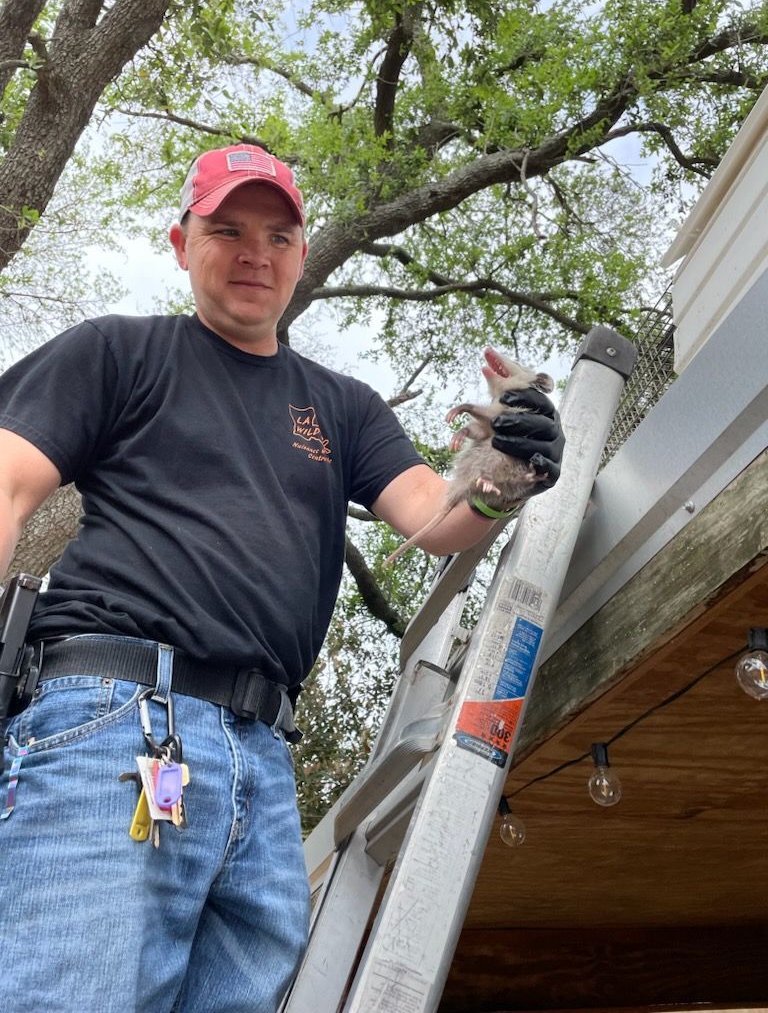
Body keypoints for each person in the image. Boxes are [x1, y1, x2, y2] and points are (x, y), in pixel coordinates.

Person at [0, 143, 564, 1013]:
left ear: (301, 255)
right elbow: (7, 486)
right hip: (115, 719)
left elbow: (436, 520)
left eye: (277, 235)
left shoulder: (343, 406)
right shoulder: (118, 351)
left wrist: (505, 469)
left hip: (262, 761)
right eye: (226, 230)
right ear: (181, 243)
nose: (254, 254)